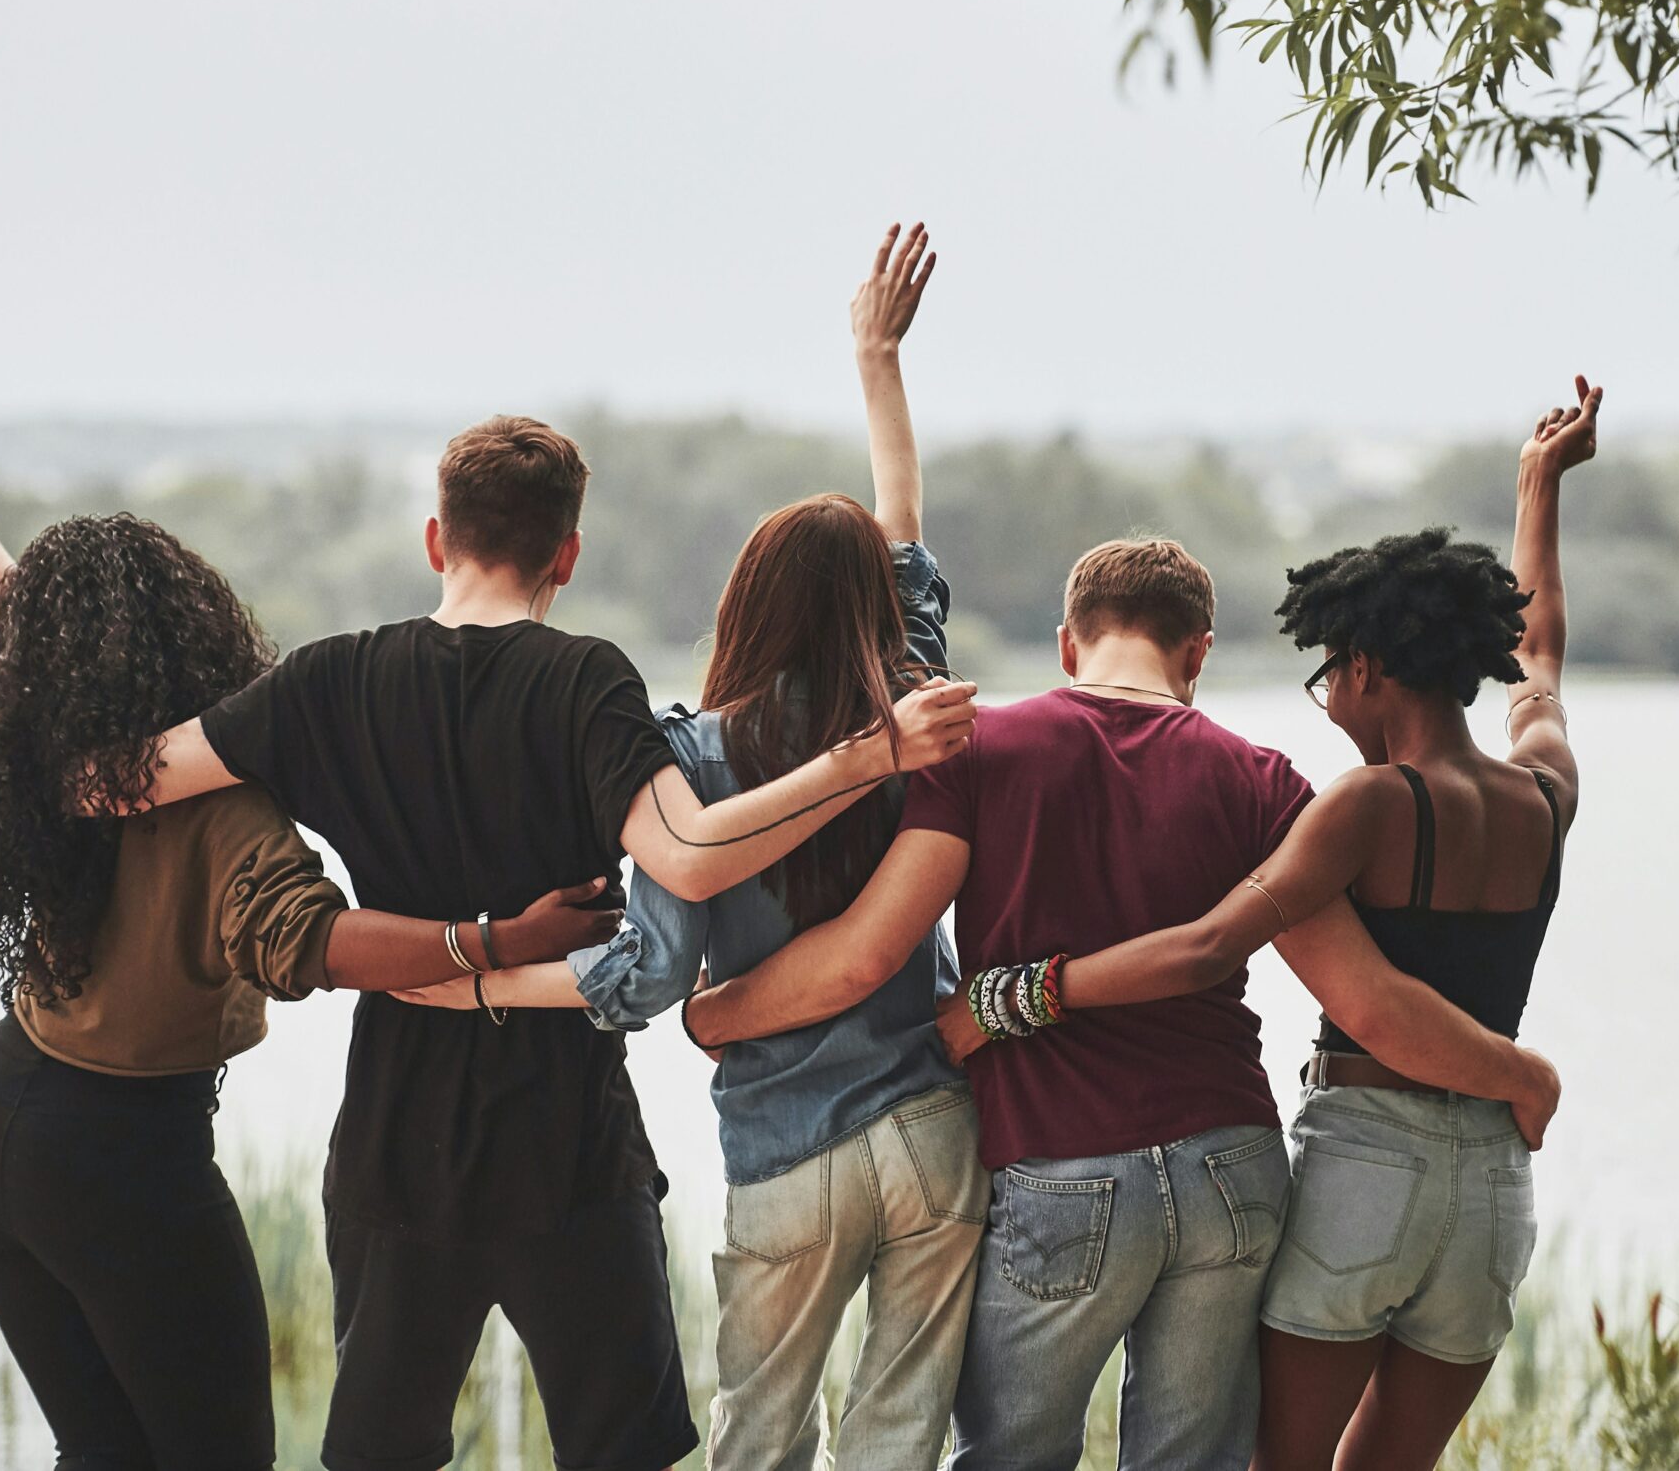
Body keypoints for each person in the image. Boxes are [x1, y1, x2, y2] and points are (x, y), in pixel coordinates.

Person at [83, 358, 981, 1471]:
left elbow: (126, 782)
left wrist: (4, 730)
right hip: (571, 1148)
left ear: (435, 539)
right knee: (623, 1451)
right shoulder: (588, 683)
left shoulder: (324, 684)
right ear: (569, 554)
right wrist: (871, 754)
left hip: (397, 1139)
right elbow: (686, 860)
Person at [682, 535, 1560, 1471]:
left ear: (1068, 643)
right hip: (1232, 1166)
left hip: (1062, 1164)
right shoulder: (1265, 782)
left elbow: (869, 953)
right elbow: (1367, 997)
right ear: (1199, 652)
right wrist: (1516, 1073)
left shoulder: (981, 751)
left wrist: (715, 1013)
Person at [0, 398, 624, 1471]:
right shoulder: (224, 808)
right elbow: (313, 943)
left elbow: (29, 627)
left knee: (104, 1451)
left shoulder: (59, 749)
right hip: (119, 1153)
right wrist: (497, 937)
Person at [396, 224, 984, 1471]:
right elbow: (902, 532)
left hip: (788, 1141)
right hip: (935, 1122)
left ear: (744, 602)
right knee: (900, 1437)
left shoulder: (696, 759)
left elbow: (649, 975)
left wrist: (481, 979)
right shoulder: (915, 709)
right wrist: (877, 361)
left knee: (756, 1440)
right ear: (877, 612)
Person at [937, 379, 1601, 1471]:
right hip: (1490, 1184)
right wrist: (1539, 488)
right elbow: (1540, 657)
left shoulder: (1365, 805)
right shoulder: (1544, 787)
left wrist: (1011, 997)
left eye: (1326, 673)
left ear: (1366, 668)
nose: (1325, 698)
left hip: (1366, 1162)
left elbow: (1218, 948)